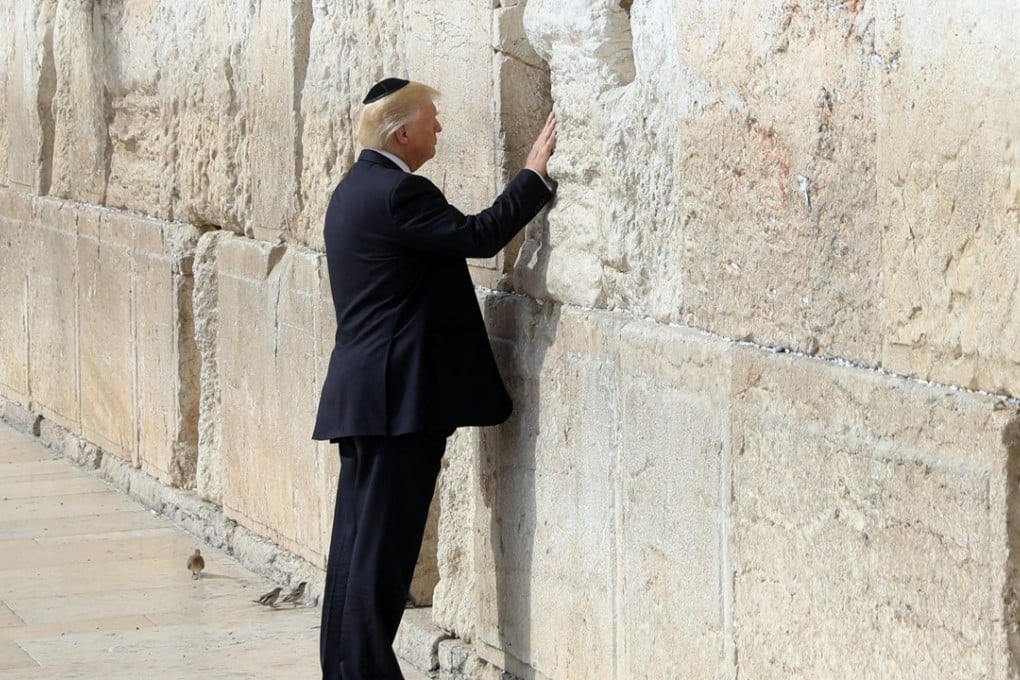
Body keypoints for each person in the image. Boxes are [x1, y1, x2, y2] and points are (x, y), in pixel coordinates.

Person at [312, 77, 557, 679]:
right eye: (432, 119)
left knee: (355, 554)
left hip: (366, 399)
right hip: (399, 406)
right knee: (380, 563)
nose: (439, 128)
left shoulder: (351, 191)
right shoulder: (400, 193)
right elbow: (478, 236)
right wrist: (533, 174)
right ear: (403, 132)